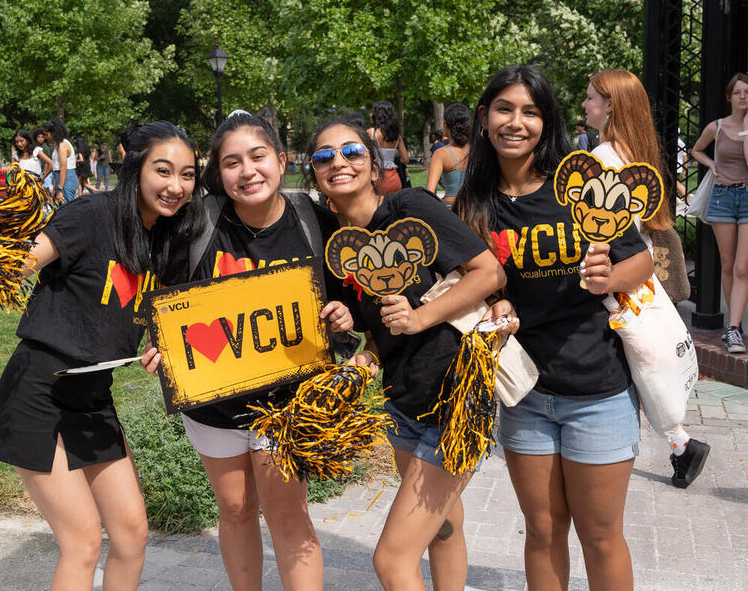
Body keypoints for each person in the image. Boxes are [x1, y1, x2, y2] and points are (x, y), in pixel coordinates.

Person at [454, 65, 654, 591]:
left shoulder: (578, 187)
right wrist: (492, 307)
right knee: (542, 530)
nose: (516, 123)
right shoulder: (473, 204)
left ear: (547, 121)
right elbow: (465, 287)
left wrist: (608, 274)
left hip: (597, 390)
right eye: (504, 109)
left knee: (600, 534)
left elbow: (643, 262)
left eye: (530, 112)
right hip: (524, 394)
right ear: (483, 119)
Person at [141, 111, 354, 591]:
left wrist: (344, 321)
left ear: (281, 160)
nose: (247, 171)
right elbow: (164, 297)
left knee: (288, 515)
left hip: (288, 404)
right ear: (219, 172)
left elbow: (348, 301)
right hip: (215, 402)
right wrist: (157, 341)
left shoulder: (315, 221)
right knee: (235, 510)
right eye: (231, 162)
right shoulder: (198, 223)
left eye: (258, 157)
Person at [0, 121, 204, 590]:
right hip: (39, 390)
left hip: (92, 396)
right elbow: (18, 261)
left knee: (131, 534)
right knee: (83, 542)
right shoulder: (92, 214)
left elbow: (157, 322)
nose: (175, 186)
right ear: (135, 168)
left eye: (187, 175)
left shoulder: (165, 240)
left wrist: (160, 350)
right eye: (163, 170)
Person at [304, 118, 506, 590]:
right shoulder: (339, 246)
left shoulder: (409, 210)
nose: (339, 162)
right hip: (403, 401)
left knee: (392, 560)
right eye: (323, 157)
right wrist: (363, 350)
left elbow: (488, 273)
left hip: (456, 398)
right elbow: (379, 332)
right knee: (441, 526)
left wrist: (420, 316)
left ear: (375, 166)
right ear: (314, 175)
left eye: (352, 151)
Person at [583, 68, 711, 489]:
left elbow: (594, 229)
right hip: (637, 275)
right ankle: (681, 446)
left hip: (611, 276)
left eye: (590, 98)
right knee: (643, 363)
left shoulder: (602, 159)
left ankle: (671, 445)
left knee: (635, 365)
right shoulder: (633, 153)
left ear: (610, 105)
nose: (585, 104)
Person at [691, 72, 748, 352]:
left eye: (747, 92)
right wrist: (712, 164)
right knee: (727, 265)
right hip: (723, 197)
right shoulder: (717, 126)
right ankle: (732, 328)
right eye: (738, 92)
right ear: (729, 97)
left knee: (742, 267)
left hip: (747, 197)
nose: (743, 97)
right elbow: (696, 150)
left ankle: (735, 328)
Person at [426, 103, 471, 205]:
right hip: (474, 209)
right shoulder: (476, 151)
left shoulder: (441, 154)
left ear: (445, 124)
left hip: (450, 209)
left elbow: (429, 191)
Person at [367, 100, 409, 195]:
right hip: (394, 179)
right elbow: (405, 159)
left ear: (378, 115)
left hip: (377, 177)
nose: (370, 114)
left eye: (373, 112)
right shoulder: (396, 136)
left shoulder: (371, 133)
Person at [43, 118, 78, 204]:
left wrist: (60, 190)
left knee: (66, 210)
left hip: (67, 180)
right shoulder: (57, 145)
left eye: (47, 134)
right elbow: (55, 166)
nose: (45, 137)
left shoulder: (62, 145)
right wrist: (44, 177)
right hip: (61, 178)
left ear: (54, 133)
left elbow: (63, 168)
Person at [33, 127, 54, 192]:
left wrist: (44, 175)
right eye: (38, 137)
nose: (40, 139)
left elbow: (47, 163)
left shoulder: (45, 147)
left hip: (45, 172)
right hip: (40, 172)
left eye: (42, 137)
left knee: (46, 191)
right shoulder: (36, 147)